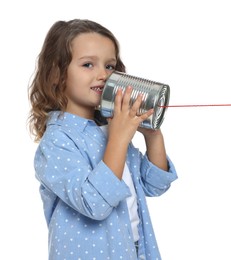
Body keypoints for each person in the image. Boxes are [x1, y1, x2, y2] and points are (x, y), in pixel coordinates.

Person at [28, 19, 177, 260]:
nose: (103, 75)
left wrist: (152, 135)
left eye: (110, 66)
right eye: (88, 64)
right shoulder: (57, 142)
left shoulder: (109, 130)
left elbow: (155, 185)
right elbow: (94, 203)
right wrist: (119, 137)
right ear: (56, 74)